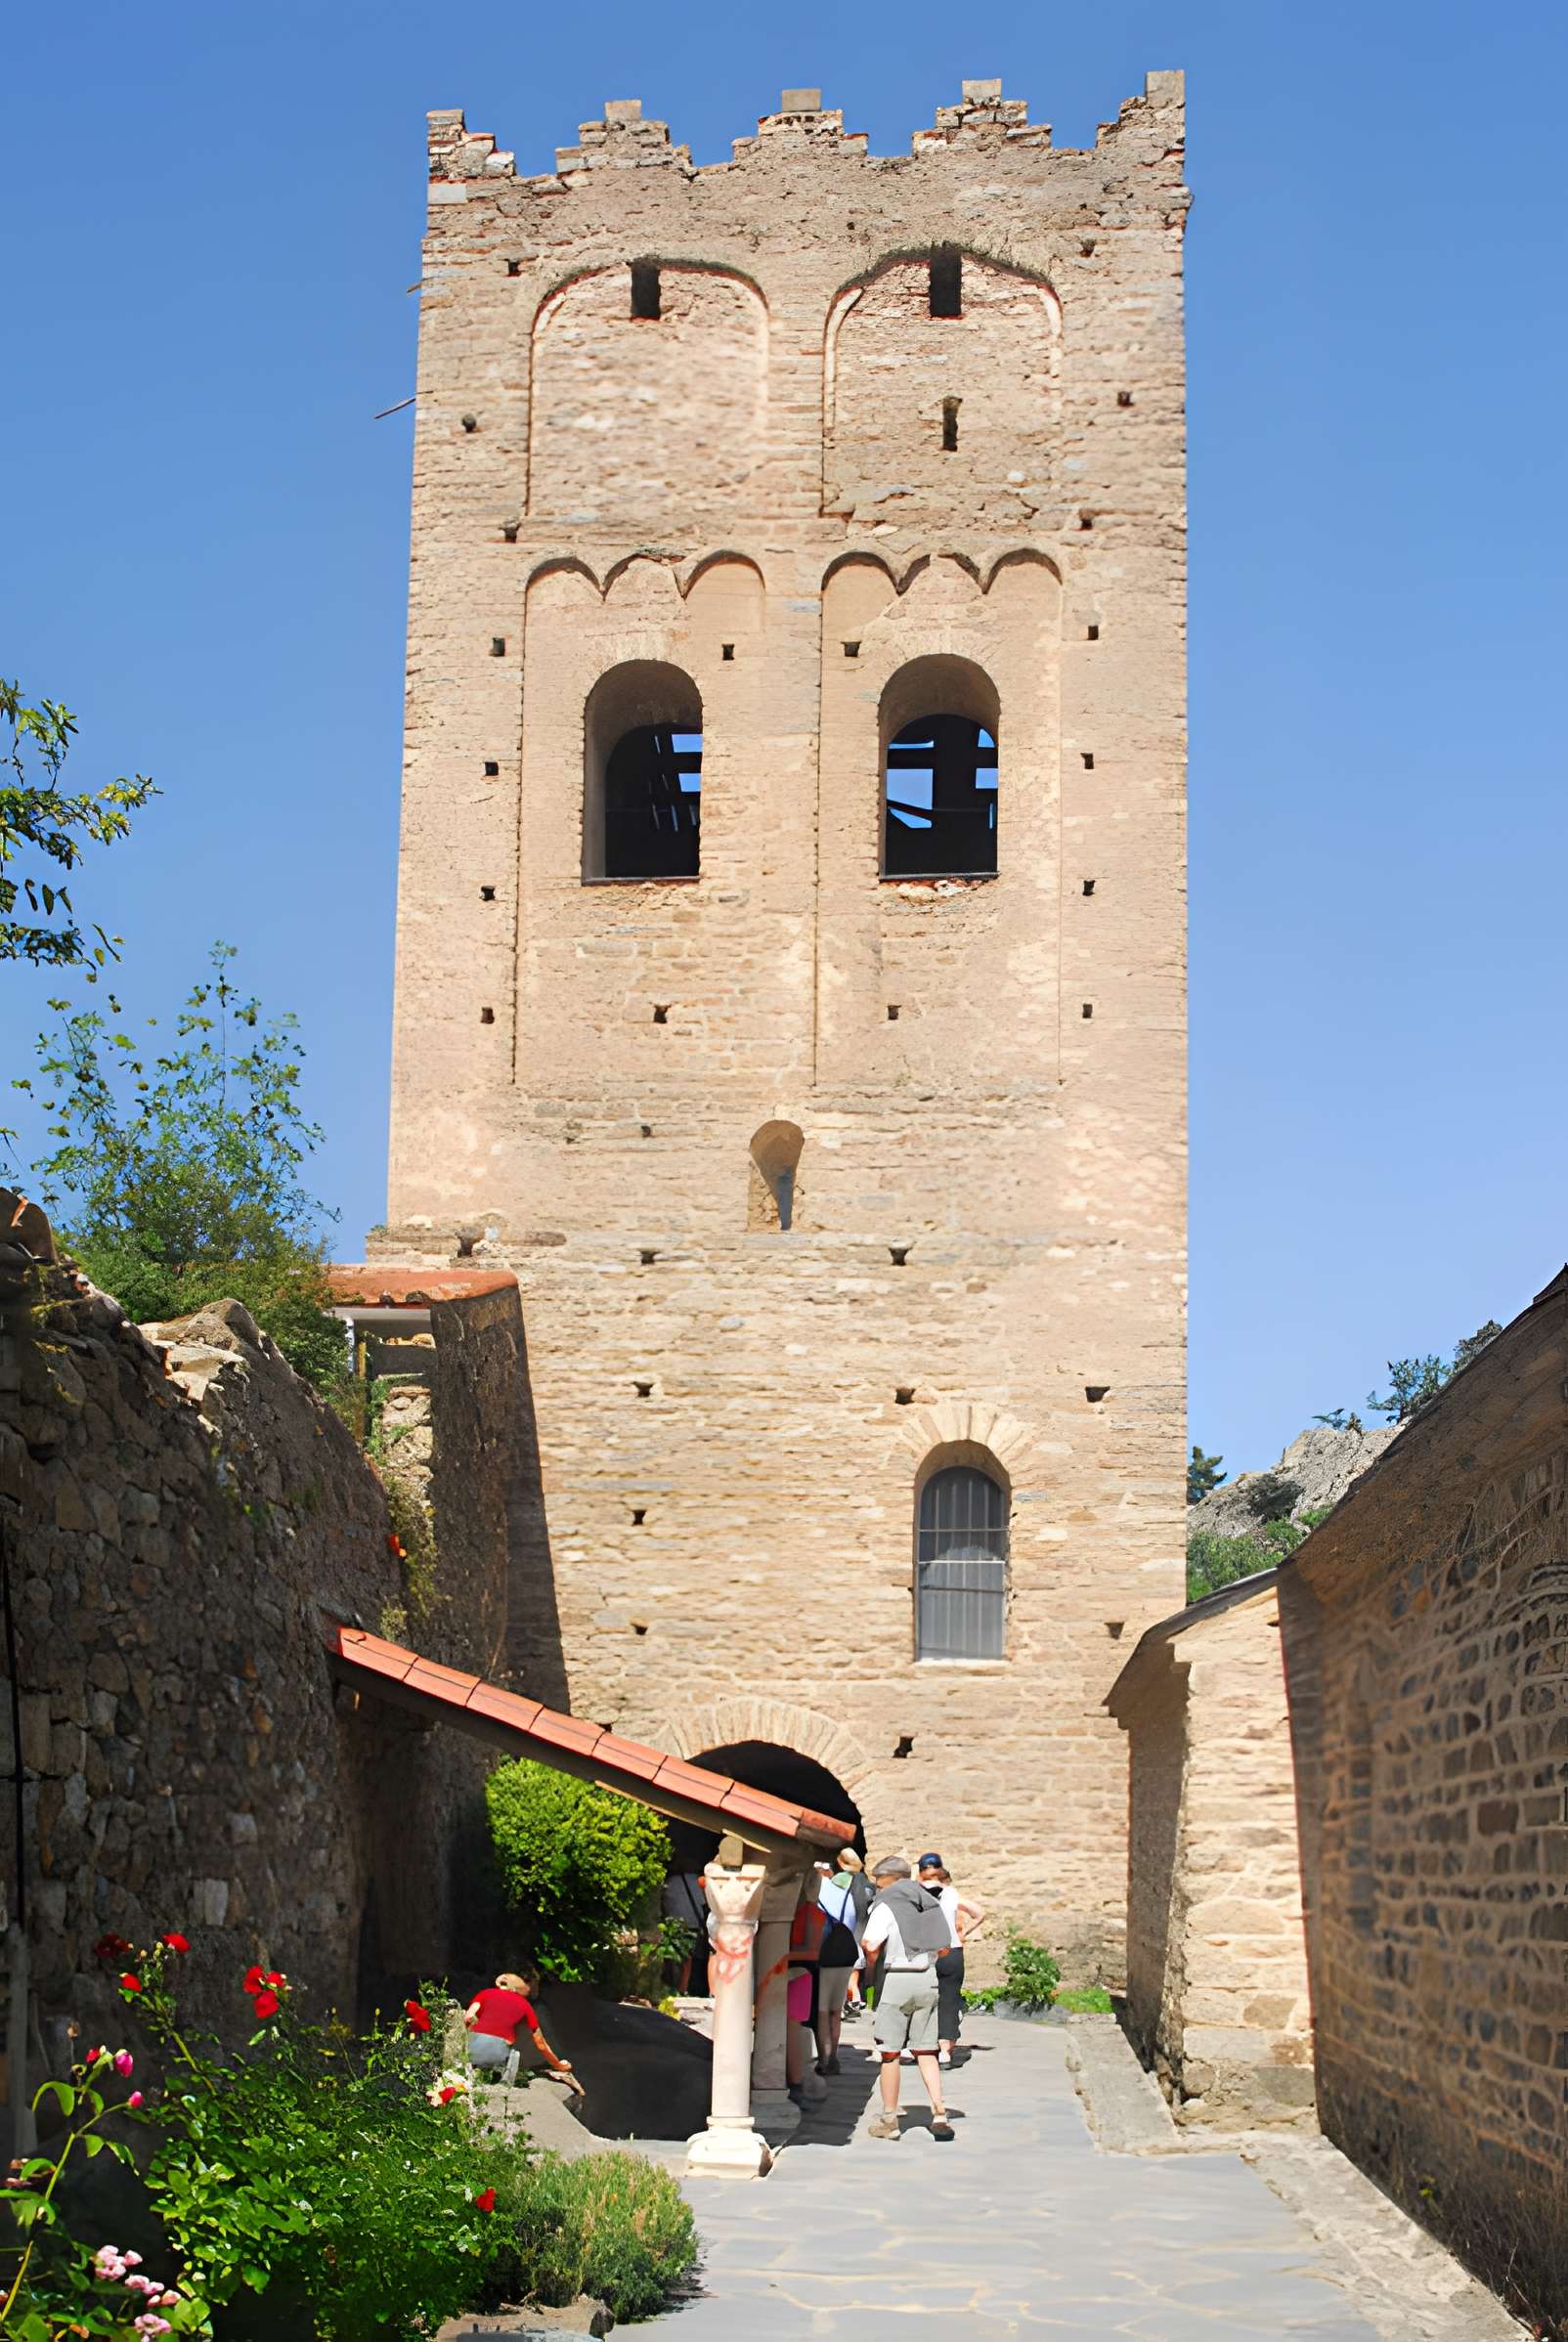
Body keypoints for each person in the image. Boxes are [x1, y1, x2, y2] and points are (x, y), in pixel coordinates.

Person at [858, 1856, 954, 2141]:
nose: (877, 1888)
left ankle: (889, 2119)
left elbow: (870, 1943)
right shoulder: (928, 1901)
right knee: (927, 2051)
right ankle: (939, 2114)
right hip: (928, 1977)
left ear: (890, 1878)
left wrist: (872, 1967)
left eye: (879, 1881)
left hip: (896, 1978)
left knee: (889, 2053)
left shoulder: (886, 1905)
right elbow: (946, 1947)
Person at [917, 1852, 987, 2068]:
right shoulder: (951, 1892)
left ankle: (921, 2046)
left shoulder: (914, 1894)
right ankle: (945, 2052)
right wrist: (964, 1931)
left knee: (924, 2000)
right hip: (952, 1950)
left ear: (921, 1872)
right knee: (949, 1999)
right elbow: (979, 1912)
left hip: (925, 1953)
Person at [464, 1971, 577, 2091]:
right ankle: (503, 2085)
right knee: (513, 2054)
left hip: (473, 2046)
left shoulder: (485, 1993)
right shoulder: (525, 2005)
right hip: (499, 2053)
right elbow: (540, 2044)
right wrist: (558, 2065)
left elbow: (468, 2017)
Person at [814, 1856, 865, 2073]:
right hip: (844, 1953)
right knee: (836, 2009)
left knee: (822, 2010)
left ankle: (824, 2058)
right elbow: (851, 1924)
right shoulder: (844, 1894)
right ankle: (833, 2055)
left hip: (822, 1954)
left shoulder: (813, 1893)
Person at [785, 1871, 826, 2103]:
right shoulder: (811, 1912)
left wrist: (777, 1954)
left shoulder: (809, 1913)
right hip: (801, 1972)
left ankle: (797, 2081)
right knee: (795, 2028)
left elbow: (810, 1950)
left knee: (795, 2028)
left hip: (799, 1973)